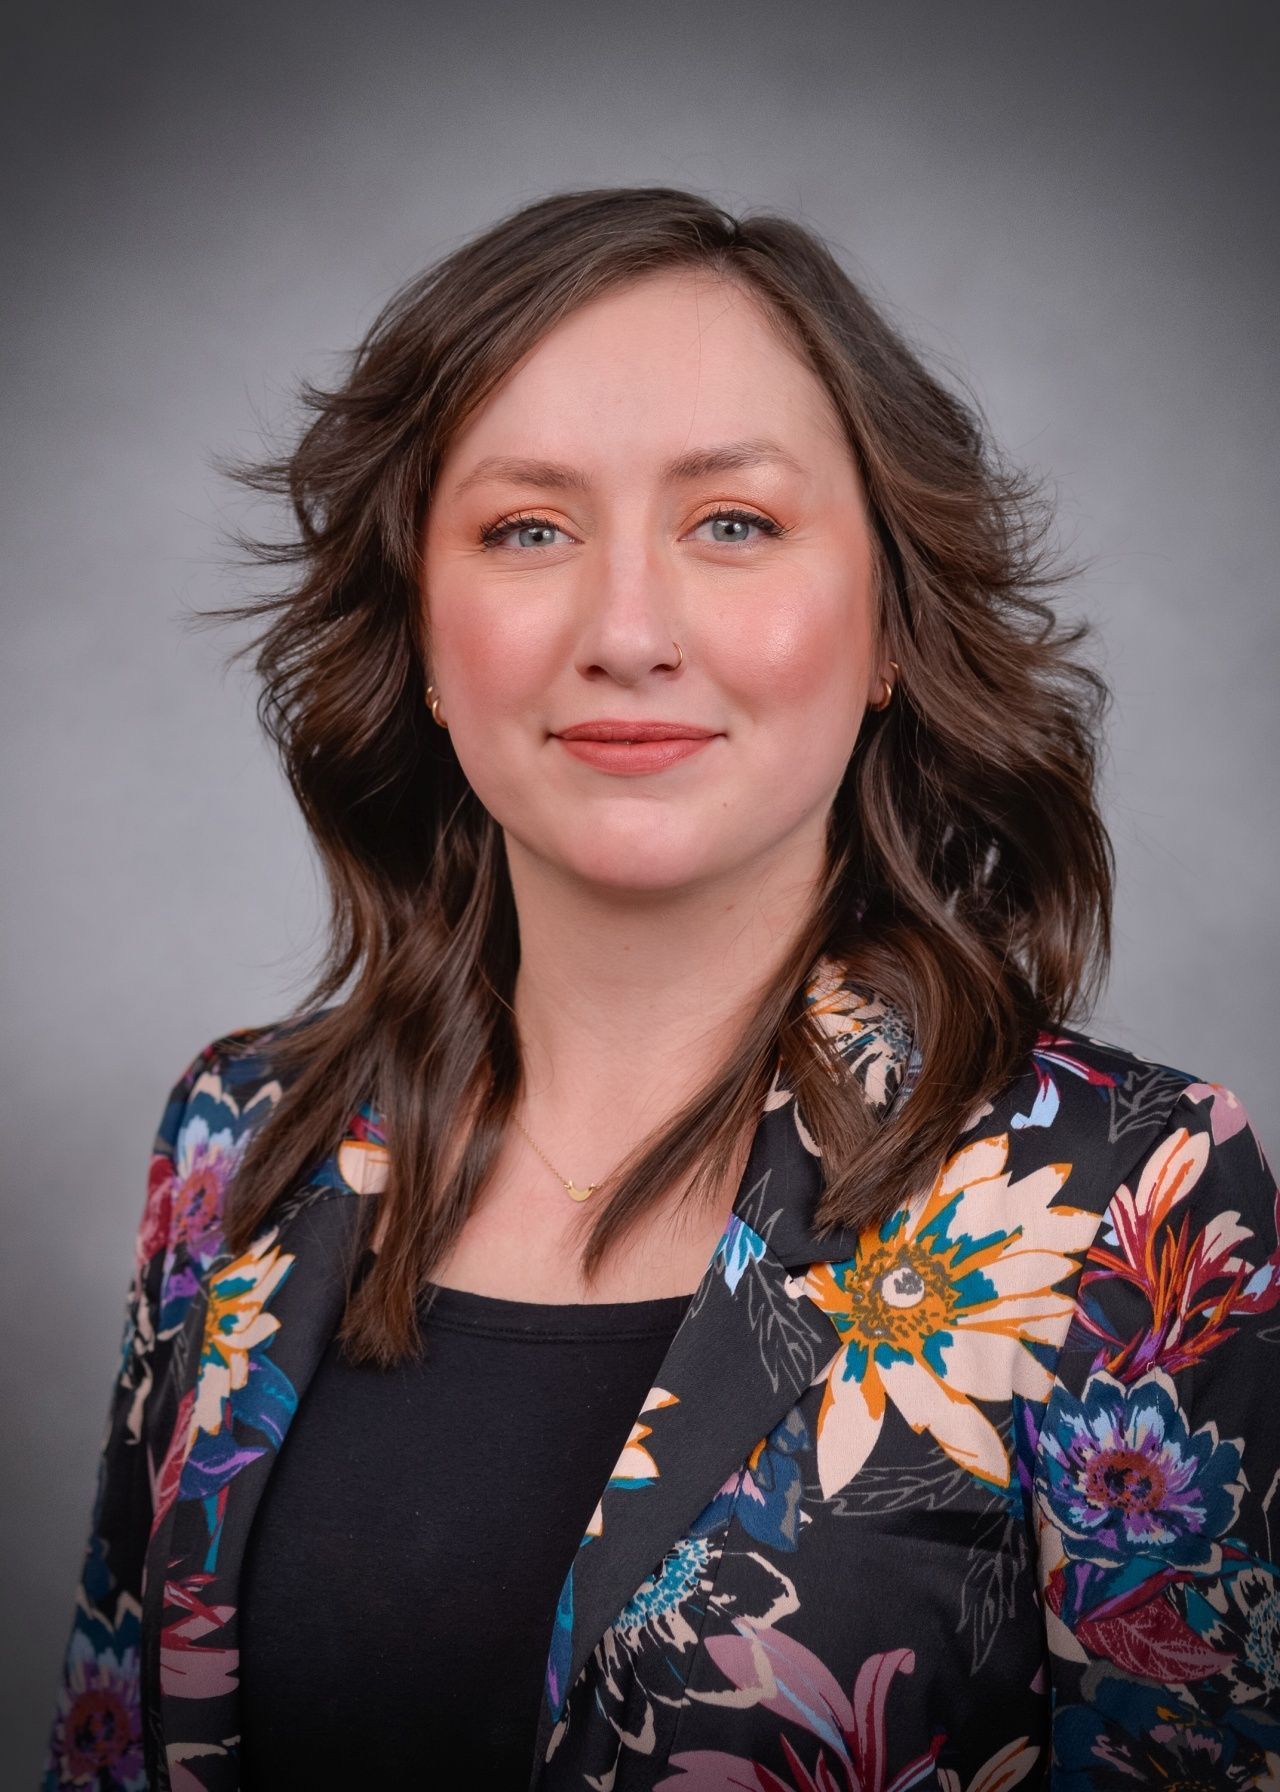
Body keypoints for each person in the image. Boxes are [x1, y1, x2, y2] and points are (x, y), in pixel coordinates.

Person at [44, 185, 1280, 1792]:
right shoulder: (237, 1140)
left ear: (890, 623)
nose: (626, 631)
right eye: (528, 529)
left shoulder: (1131, 1193)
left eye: (734, 525)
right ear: (422, 629)